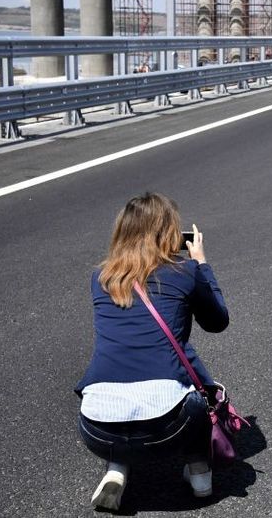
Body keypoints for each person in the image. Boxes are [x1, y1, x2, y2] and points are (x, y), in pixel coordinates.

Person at [75, 192, 229, 510]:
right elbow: (217, 322)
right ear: (170, 232)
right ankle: (200, 473)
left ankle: (116, 469)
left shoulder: (101, 278)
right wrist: (201, 263)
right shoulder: (184, 272)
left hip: (95, 428)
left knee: (119, 395)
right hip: (168, 426)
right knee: (199, 399)